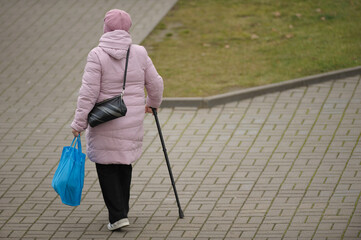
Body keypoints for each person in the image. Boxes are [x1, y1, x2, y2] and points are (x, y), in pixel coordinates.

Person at [70, 9, 164, 231]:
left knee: (106, 165)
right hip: (130, 118)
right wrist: (153, 103)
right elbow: (156, 83)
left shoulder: (97, 55)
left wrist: (78, 123)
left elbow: (88, 94)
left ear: (106, 28)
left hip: (104, 119)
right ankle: (122, 211)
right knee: (123, 162)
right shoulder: (139, 53)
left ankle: (117, 215)